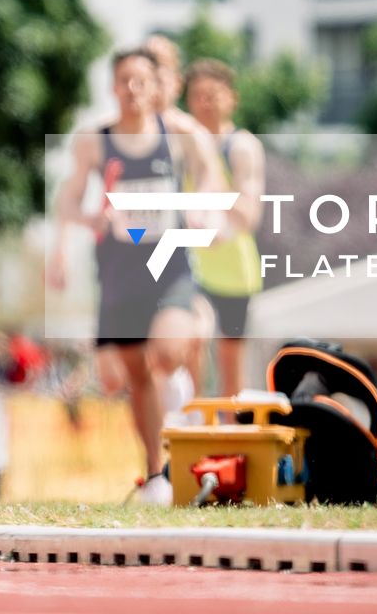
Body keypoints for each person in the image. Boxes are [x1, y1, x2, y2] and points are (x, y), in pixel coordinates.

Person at [47, 47, 227, 503]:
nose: (132, 89)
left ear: (155, 87)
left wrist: (203, 209)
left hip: (168, 262)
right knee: (133, 376)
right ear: (113, 87)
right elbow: (67, 199)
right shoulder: (94, 140)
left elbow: (210, 173)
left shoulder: (180, 133)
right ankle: (155, 474)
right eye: (124, 80)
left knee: (165, 354)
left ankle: (182, 406)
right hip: (120, 270)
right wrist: (87, 224)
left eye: (141, 81)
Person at [181, 59, 265, 393]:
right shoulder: (182, 146)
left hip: (234, 271)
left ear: (232, 98)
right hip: (190, 268)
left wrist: (217, 228)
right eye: (197, 95)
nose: (205, 102)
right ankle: (193, 423)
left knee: (231, 366)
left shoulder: (241, 147)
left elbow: (249, 213)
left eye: (213, 94)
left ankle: (230, 436)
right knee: (191, 338)